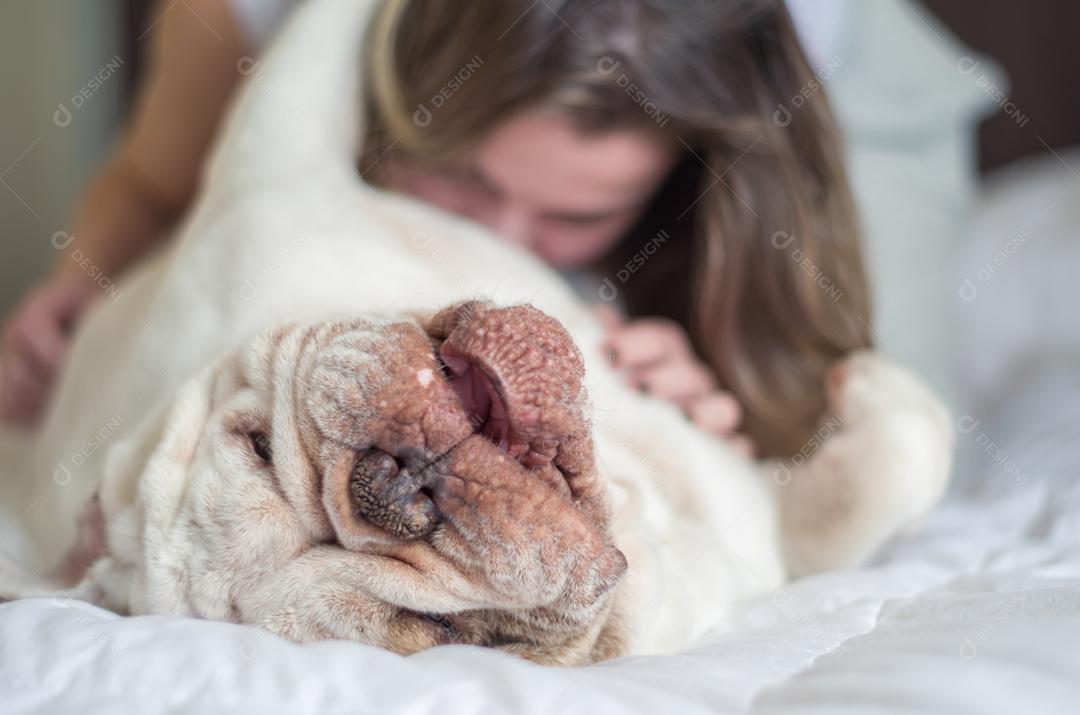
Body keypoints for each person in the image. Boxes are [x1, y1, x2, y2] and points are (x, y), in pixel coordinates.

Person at [0, 0, 871, 459]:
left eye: (575, 215)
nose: (504, 241)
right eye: (461, 176)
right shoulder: (245, 13)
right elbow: (152, 187)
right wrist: (82, 286)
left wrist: (712, 404)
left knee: (872, 408)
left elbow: (793, 380)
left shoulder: (769, 67)